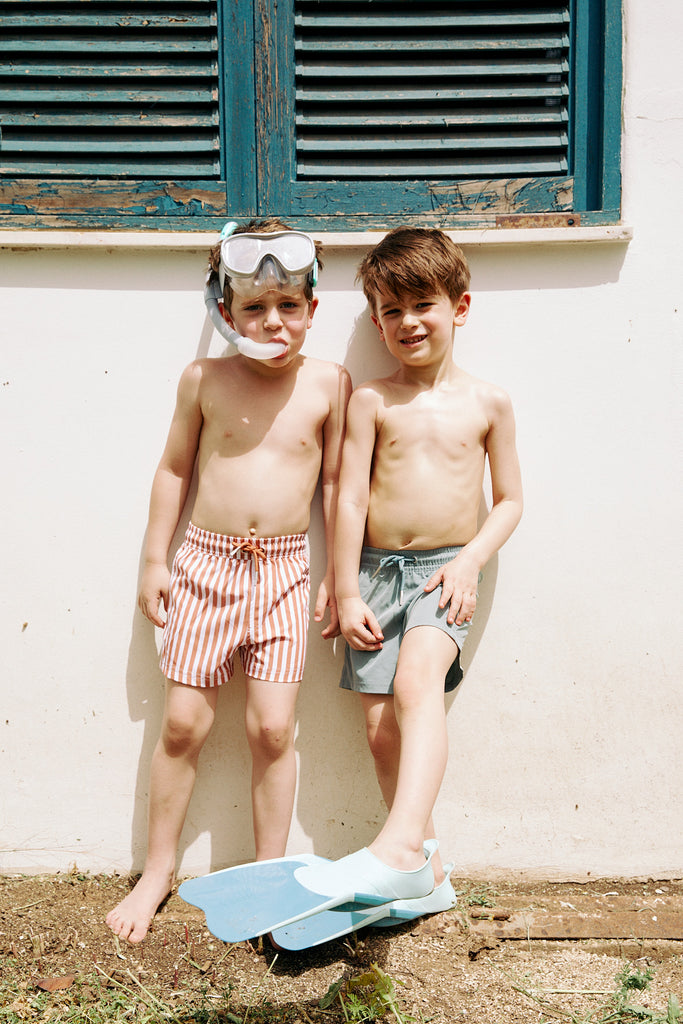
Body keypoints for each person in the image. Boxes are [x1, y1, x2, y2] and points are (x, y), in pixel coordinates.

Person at [106, 217, 351, 943]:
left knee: (272, 729)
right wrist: (155, 560)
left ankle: (270, 878)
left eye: (289, 306)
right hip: (205, 567)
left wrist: (338, 574)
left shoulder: (329, 384)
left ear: (312, 307)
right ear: (224, 310)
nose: (273, 322)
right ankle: (157, 871)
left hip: (284, 572)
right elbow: (174, 470)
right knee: (183, 724)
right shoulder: (203, 380)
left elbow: (336, 485)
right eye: (254, 307)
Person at [297, 226, 522, 911]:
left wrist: (470, 561)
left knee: (417, 683)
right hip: (373, 576)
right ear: (376, 322)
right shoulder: (371, 400)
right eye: (391, 310)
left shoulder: (488, 402)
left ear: (459, 307)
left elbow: (510, 501)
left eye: (422, 304)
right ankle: (425, 869)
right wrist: (344, 587)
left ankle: (394, 849)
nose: (407, 322)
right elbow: (349, 498)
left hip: (443, 576)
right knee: (379, 731)